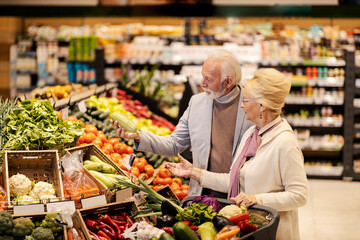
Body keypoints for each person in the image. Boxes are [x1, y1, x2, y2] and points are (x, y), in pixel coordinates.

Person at [166, 68, 308, 240]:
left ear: (261, 106)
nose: (241, 105)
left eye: (245, 100)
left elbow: (299, 195)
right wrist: (195, 173)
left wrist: (257, 199)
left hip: (273, 231)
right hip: (249, 228)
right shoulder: (251, 135)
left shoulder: (284, 142)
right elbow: (234, 180)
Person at [112, 49, 253, 198]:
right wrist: (139, 136)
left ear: (228, 81)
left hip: (238, 196)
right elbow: (174, 144)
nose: (202, 83)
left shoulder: (253, 105)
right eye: (202, 77)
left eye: (209, 79)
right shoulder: (197, 103)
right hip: (201, 194)